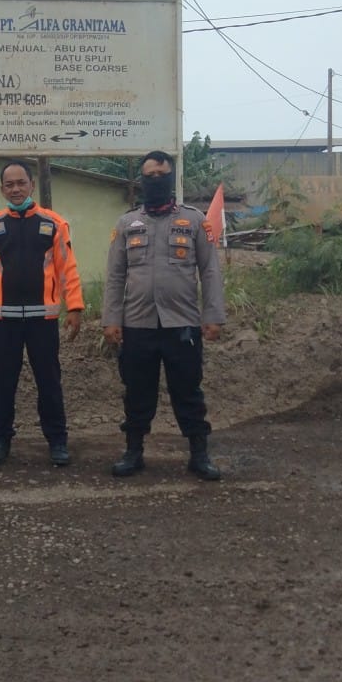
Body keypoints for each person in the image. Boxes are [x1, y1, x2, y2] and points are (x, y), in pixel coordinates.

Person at [101, 150, 226, 480]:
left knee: (188, 391)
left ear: (171, 179)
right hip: (137, 324)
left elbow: (210, 270)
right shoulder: (127, 223)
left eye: (161, 175)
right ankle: (133, 452)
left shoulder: (195, 220)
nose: (155, 181)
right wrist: (111, 319)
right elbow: (115, 275)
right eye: (149, 176)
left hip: (182, 323)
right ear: (141, 180)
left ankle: (199, 454)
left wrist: (213, 315)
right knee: (137, 391)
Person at [0, 160, 85, 467]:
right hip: (3, 321)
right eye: (10, 184)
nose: (16, 189)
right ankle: (0, 440)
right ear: (2, 189)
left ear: (32, 185)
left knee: (49, 382)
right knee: (3, 384)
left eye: (21, 183)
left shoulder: (54, 223)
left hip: (42, 321)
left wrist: (75, 307)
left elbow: (67, 269)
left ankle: (57, 440)